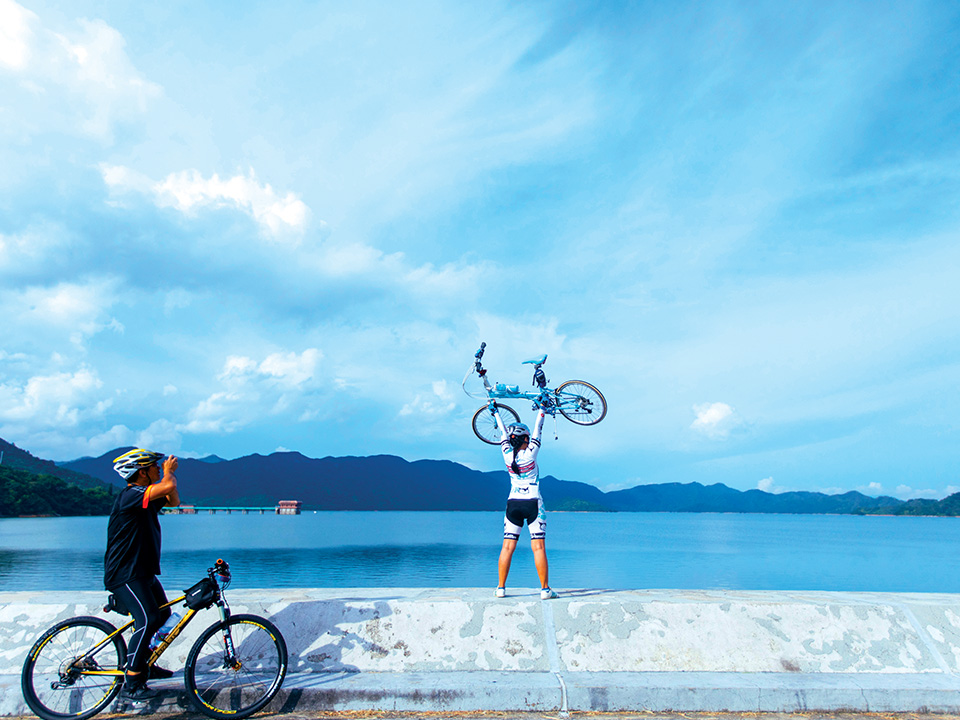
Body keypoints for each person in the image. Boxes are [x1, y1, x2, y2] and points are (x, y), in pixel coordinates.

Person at [104, 448, 180, 702]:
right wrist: (168, 475)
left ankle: (144, 662)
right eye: (153, 467)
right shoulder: (131, 494)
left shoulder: (144, 496)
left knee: (163, 613)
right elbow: (167, 484)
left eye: (159, 466)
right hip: (125, 574)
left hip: (143, 571)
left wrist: (168, 480)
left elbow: (173, 501)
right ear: (141, 471)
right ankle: (133, 681)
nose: (158, 469)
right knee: (147, 618)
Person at [489, 398, 559, 599]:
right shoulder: (531, 454)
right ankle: (545, 589)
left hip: (513, 504)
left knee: (507, 546)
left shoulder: (506, 454)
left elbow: (503, 433)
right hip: (533, 502)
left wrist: (495, 412)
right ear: (526, 439)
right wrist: (542, 409)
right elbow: (539, 428)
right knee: (538, 546)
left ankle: (501, 588)